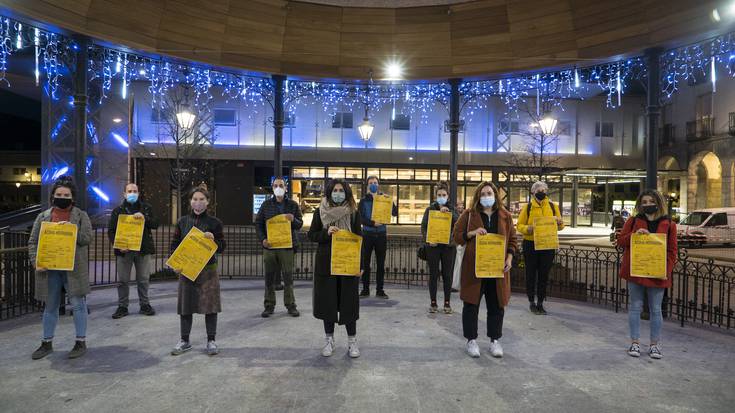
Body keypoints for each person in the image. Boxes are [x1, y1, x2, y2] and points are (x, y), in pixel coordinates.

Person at [28, 176, 93, 360]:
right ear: (52, 196)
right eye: (59, 194)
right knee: (50, 306)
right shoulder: (43, 217)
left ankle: (80, 341)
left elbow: (87, 238)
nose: (62, 197)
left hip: (73, 269)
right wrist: (36, 262)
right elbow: (33, 242)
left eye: (66, 194)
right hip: (50, 269)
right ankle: (46, 342)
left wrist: (71, 229)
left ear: (72, 198)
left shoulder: (81, 216)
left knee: (78, 305)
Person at [453, 181, 517, 359]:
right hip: (475, 269)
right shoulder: (469, 214)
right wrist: (471, 233)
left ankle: (495, 340)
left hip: (497, 270)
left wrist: (510, 257)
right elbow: (456, 236)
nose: (486, 197)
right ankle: (471, 340)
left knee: (497, 305)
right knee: (471, 305)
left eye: (489, 193)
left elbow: (512, 239)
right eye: (483, 194)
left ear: (496, 195)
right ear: (477, 196)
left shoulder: (505, 215)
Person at [616, 189, 677, 360]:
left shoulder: (670, 224)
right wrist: (634, 236)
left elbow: (672, 251)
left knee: (656, 310)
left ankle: (654, 345)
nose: (648, 205)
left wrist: (666, 270)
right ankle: (634, 342)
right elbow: (620, 241)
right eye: (644, 202)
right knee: (635, 307)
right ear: (640, 205)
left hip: (658, 272)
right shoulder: (633, 221)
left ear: (658, 202)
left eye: (651, 201)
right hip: (636, 270)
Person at [308, 179, 363, 358]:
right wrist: (326, 233)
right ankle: (329, 340)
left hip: (347, 264)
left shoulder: (354, 213)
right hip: (326, 265)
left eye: (341, 190)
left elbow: (359, 239)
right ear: (330, 192)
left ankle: (352, 341)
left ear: (346, 193)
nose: (338, 193)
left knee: (349, 303)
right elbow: (311, 235)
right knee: (328, 304)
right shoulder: (320, 211)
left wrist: (360, 265)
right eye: (335, 190)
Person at [169, 186, 227, 356]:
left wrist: (214, 240)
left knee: (210, 306)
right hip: (187, 271)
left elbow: (222, 247)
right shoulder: (182, 222)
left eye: (202, 199)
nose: (198, 202)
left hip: (208, 271)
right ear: (190, 201)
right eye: (195, 199)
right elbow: (175, 245)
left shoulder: (215, 223)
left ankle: (211, 340)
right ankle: (184, 340)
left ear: (208, 202)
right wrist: (176, 262)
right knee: (185, 307)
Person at [254, 177, 303, 318]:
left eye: (281, 185)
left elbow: (299, 224)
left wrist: (294, 219)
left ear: (286, 188)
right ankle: (269, 305)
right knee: (269, 277)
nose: (278, 187)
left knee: (288, 277)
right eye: (276, 185)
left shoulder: (293, 205)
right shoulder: (266, 205)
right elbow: (258, 224)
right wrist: (263, 239)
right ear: (272, 187)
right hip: (270, 247)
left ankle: (291, 305)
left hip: (288, 246)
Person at [108, 183, 159, 319]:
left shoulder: (146, 208)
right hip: (124, 250)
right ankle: (122, 306)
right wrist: (118, 245)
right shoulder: (118, 210)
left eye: (135, 191)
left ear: (138, 193)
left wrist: (144, 218)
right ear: (124, 194)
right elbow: (111, 231)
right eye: (129, 191)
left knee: (143, 279)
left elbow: (155, 224)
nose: (132, 193)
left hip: (143, 249)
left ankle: (145, 304)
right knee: (123, 280)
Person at [515, 181, 564, 315]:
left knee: (544, 275)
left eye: (544, 190)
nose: (542, 192)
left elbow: (560, 226)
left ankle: (540, 302)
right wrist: (528, 229)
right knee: (530, 274)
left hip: (547, 245)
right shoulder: (528, 207)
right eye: (539, 190)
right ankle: (531, 301)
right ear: (533, 192)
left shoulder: (553, 207)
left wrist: (560, 223)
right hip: (530, 244)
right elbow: (519, 225)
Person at [420, 182, 458, 314]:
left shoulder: (453, 209)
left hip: (448, 247)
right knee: (433, 274)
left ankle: (447, 303)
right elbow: (424, 227)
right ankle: (433, 302)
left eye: (444, 195)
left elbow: (458, 225)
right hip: (433, 247)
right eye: (439, 195)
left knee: (447, 275)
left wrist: (450, 214)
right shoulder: (429, 209)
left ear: (447, 196)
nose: (441, 197)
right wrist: (428, 240)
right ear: (435, 196)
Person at [358, 175, 397, 299]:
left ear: (378, 184)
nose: (373, 184)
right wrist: (372, 223)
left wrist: (390, 201)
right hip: (367, 235)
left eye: (375, 182)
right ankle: (365, 289)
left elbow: (395, 213)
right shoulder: (363, 200)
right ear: (368, 185)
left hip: (381, 235)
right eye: (371, 183)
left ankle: (380, 290)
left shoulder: (383, 198)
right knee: (365, 263)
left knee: (381, 264)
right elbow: (360, 218)